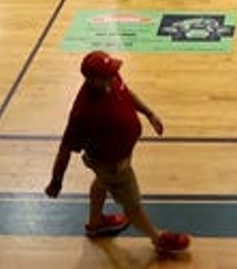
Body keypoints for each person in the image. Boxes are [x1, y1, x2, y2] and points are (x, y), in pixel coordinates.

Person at [45, 50, 192, 253]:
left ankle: (96, 222)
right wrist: (56, 181)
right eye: (108, 75)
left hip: (114, 159)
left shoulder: (110, 78)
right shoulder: (83, 112)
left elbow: (125, 91)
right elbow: (65, 148)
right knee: (133, 205)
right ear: (92, 80)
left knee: (102, 181)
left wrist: (149, 113)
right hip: (113, 164)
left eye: (113, 72)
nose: (114, 76)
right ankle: (158, 240)